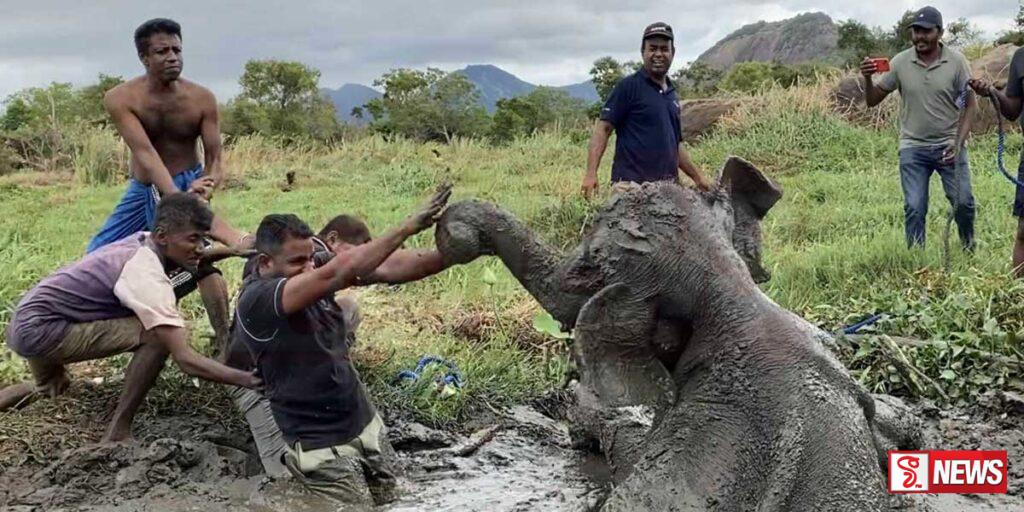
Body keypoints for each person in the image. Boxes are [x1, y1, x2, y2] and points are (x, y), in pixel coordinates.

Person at [232, 186, 451, 504]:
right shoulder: (258, 299)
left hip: (362, 421)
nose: (309, 267)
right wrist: (407, 225)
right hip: (318, 443)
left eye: (310, 258)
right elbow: (339, 272)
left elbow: (387, 267)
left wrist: (450, 256)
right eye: (297, 262)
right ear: (265, 263)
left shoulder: (311, 264)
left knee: (398, 499)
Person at [0, 193, 261, 442]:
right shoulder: (145, 272)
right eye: (193, 240)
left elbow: (196, 258)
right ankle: (117, 431)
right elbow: (185, 360)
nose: (199, 248)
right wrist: (247, 380)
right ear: (163, 235)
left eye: (202, 239)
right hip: (43, 329)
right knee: (157, 337)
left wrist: (233, 251)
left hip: (27, 320)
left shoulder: (146, 240)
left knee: (52, 387)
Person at [87, 18, 249, 354]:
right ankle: (114, 329)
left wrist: (208, 185)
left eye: (177, 49)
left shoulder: (202, 98)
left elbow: (216, 156)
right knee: (97, 257)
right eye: (162, 51)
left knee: (196, 258)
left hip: (187, 182)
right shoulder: (121, 98)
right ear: (145, 58)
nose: (173, 56)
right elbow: (145, 153)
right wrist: (179, 203)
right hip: (145, 188)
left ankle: (225, 341)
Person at [861, 6, 977, 250]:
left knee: (964, 203)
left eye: (926, 31)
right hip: (913, 147)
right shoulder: (900, 62)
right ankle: (916, 258)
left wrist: (958, 143)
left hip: (949, 145)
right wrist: (868, 78)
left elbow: (970, 106)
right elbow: (872, 101)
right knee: (914, 207)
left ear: (940, 32)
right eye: (915, 31)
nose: (919, 37)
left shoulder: (957, 62)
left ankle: (968, 246)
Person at [581, 22, 712, 198]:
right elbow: (603, 129)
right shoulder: (628, 87)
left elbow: (675, 145)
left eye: (664, 49)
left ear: (673, 53)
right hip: (631, 189)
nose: (658, 54)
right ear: (643, 52)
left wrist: (698, 178)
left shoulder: (672, 95)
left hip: (668, 191)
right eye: (652, 48)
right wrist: (591, 174)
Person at [968, 48, 1024, 275]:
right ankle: (1017, 295)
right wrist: (991, 91)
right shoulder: (1021, 57)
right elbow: (1012, 110)